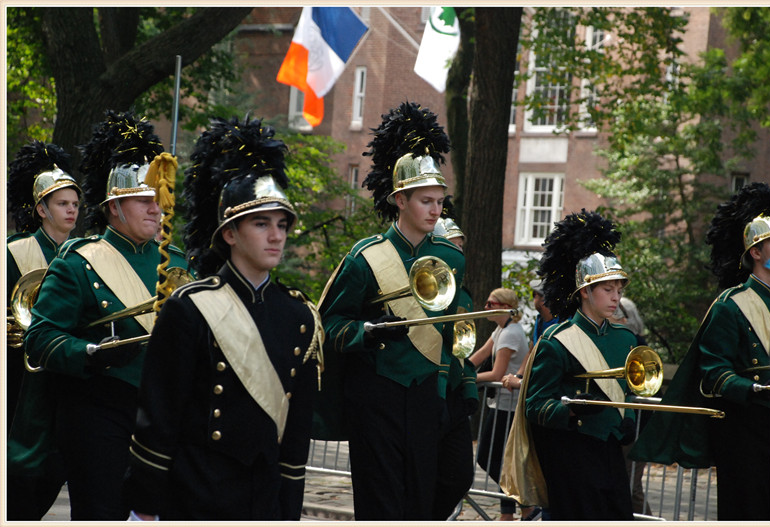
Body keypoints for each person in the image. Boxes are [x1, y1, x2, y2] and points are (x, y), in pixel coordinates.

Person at [123, 116, 322, 520]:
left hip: (263, 500)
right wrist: (145, 507)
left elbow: (295, 435)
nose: (276, 236)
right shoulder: (190, 307)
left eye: (282, 225)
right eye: (261, 223)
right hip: (195, 493)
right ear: (230, 233)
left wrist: (288, 510)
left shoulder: (300, 315)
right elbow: (159, 416)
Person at [23, 110, 187, 520]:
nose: (156, 209)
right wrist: (91, 353)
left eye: (159, 199)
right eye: (144, 201)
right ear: (115, 207)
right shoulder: (80, 261)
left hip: (163, 415)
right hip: (99, 413)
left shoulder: (178, 263)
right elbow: (40, 338)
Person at [316, 102, 467, 520]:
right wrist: (367, 331)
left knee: (421, 500)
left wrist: (449, 392)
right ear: (400, 200)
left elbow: (450, 335)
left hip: (426, 395)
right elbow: (329, 325)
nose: (435, 210)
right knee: (380, 504)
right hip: (375, 395)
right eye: (426, 201)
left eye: (440, 201)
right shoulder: (365, 257)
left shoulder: (452, 259)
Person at [631, 182, 770, 521]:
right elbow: (714, 374)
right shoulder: (731, 305)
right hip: (747, 432)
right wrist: (756, 389)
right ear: (756, 252)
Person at [500, 209, 638, 521]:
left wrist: (628, 417)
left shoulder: (625, 339)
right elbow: (535, 405)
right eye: (607, 289)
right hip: (570, 452)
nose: (616, 298)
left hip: (610, 451)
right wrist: (572, 409)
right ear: (585, 291)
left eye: (619, 290)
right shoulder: (556, 340)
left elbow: (626, 391)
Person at [6, 141, 81, 520]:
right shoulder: (14, 251)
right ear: (41, 209)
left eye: (75, 204)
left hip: (62, 378)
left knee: (54, 471)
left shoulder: (83, 255)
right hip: (17, 379)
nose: (71, 211)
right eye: (62, 203)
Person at [468, 288, 538, 521]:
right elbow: (480, 355)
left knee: (488, 457)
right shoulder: (501, 329)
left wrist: (467, 379)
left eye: (491, 304)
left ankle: (524, 506)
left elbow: (497, 374)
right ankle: (510, 512)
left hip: (509, 407)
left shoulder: (510, 334)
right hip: (500, 405)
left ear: (506, 307)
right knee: (498, 459)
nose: (486, 307)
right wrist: (459, 368)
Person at [431, 213, 480, 519]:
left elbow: (464, 349)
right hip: (425, 391)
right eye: (451, 246)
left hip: (453, 395)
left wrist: (468, 388)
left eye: (461, 247)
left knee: (460, 475)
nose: (458, 253)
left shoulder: (464, 296)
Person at [609, 298, 652, 516]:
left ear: (625, 319)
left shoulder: (635, 345)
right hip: (629, 426)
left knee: (630, 486)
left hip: (637, 427)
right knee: (626, 485)